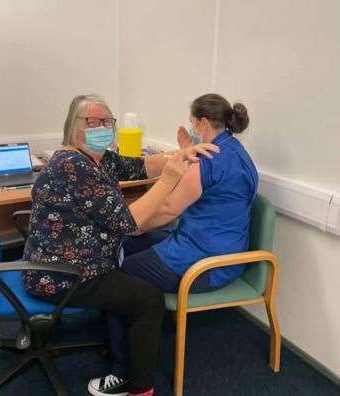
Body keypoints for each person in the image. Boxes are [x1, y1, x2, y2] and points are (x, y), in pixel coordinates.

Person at [22, 94, 219, 396]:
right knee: (147, 300)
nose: (102, 127)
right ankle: (139, 388)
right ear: (73, 127)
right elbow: (131, 222)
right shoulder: (73, 166)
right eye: (92, 122)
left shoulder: (99, 159)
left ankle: (120, 348)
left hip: (80, 258)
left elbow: (141, 166)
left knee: (138, 264)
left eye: (107, 121)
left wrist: (180, 155)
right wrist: (169, 179)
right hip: (62, 273)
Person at [91, 93, 259, 394]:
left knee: (120, 276)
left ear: (204, 123)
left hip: (206, 263)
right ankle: (121, 329)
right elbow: (213, 191)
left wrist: (127, 225)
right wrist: (186, 150)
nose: (192, 128)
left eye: (194, 123)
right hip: (224, 252)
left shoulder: (207, 160)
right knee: (127, 245)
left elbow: (167, 210)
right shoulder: (236, 150)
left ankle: (123, 371)